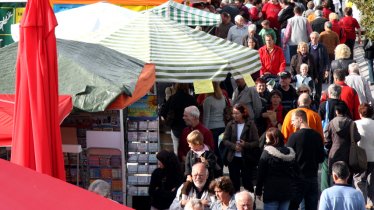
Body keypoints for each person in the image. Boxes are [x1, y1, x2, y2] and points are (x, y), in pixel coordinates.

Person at [286, 110, 325, 210]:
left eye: (293, 120)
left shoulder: (294, 137)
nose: (292, 123)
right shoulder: (317, 136)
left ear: (300, 119)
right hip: (312, 177)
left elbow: (287, 157)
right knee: (311, 207)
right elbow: (321, 158)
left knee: (292, 206)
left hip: (297, 178)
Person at [255, 127, 297, 210]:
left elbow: (261, 173)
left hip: (271, 192)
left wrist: (258, 191)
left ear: (272, 140)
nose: (266, 141)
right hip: (286, 191)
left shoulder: (267, 153)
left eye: (267, 139)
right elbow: (296, 172)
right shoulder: (290, 152)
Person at [222, 103, 260, 192]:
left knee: (247, 182)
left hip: (246, 158)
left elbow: (256, 142)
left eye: (237, 113)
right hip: (233, 157)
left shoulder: (250, 124)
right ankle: (235, 202)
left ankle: (250, 202)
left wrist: (245, 145)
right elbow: (225, 140)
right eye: (233, 113)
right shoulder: (230, 124)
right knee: (234, 182)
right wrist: (234, 146)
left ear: (243, 113)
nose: (234, 116)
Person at [324, 103, 361, 184]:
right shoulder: (351, 123)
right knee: (348, 179)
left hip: (334, 153)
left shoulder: (331, 123)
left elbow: (326, 140)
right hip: (349, 154)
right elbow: (357, 137)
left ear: (337, 111)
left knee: (336, 177)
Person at [160, 83, 197, 155]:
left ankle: (178, 164)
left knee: (176, 150)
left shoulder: (173, 98)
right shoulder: (191, 99)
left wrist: (169, 122)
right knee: (189, 149)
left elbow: (163, 112)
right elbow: (197, 113)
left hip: (176, 128)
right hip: (189, 128)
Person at [354, 104, 374, 209]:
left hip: (360, 157)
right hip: (373, 157)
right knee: (372, 183)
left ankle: (360, 204)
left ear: (360, 113)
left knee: (359, 182)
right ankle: (371, 204)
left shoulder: (355, 124)